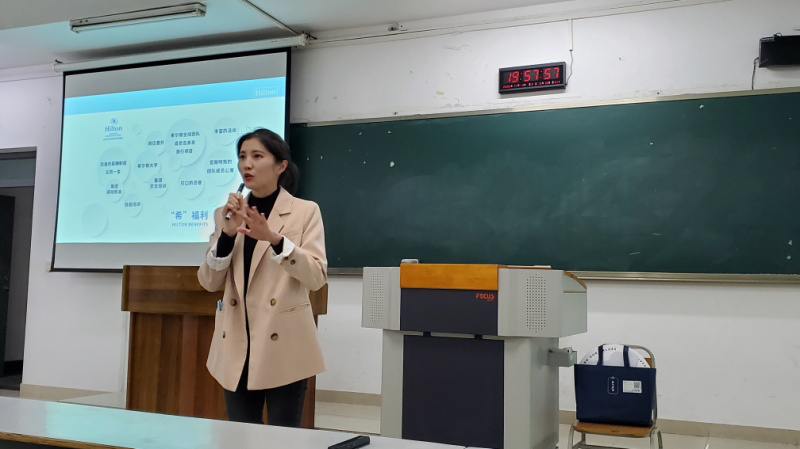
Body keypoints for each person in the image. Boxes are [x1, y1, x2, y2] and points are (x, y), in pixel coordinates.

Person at [197, 128, 327, 426]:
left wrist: (274, 239)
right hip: (236, 343)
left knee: (283, 437)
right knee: (241, 437)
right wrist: (227, 235)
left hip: (283, 342)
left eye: (257, 156)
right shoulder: (225, 214)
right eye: (242, 156)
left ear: (280, 165)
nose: (247, 164)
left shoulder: (305, 211)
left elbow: (316, 277)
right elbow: (209, 282)